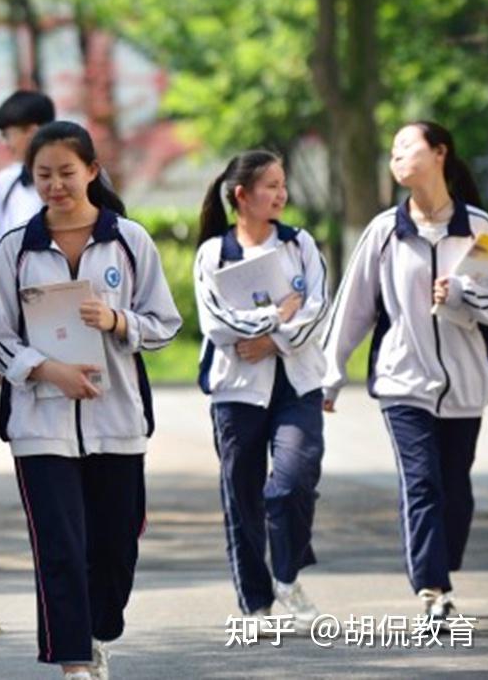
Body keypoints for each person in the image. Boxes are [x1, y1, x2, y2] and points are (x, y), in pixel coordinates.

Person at [0, 121, 181, 680]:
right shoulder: (16, 249)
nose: (55, 185)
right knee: (61, 549)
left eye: (67, 172)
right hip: (40, 425)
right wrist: (47, 370)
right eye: (43, 175)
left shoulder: (129, 241)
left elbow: (166, 324)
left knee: (117, 547)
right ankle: (74, 661)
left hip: (117, 420)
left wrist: (117, 320)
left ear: (92, 171)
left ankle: (96, 631)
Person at [321, 121, 488, 624]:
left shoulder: (481, 231)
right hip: (404, 380)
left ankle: (441, 567)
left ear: (440, 153)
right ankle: (433, 590)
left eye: (408, 146)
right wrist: (330, 372)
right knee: (421, 481)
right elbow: (354, 306)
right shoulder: (385, 231)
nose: (397, 156)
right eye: (392, 151)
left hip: (466, 385)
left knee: (456, 489)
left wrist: (464, 297)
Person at [193, 151, 329, 628]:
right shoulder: (214, 254)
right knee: (242, 497)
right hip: (236, 392)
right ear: (241, 196)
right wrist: (276, 315)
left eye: (282, 183)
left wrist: (271, 339)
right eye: (270, 185)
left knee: (291, 482)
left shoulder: (300, 244)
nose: (281, 193)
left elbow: (317, 308)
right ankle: (256, 603)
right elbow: (217, 322)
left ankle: (288, 576)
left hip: (299, 386)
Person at [0, 89, 55, 238]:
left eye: (7, 135)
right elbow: (2, 238)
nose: (5, 144)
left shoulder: (78, 177)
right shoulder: (6, 180)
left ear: (32, 132)